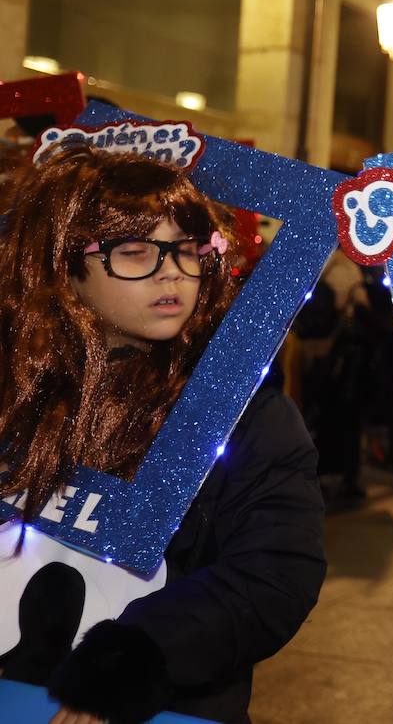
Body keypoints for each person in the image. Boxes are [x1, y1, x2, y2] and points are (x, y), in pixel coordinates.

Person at [0, 146, 326, 723]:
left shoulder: (246, 411)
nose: (171, 271)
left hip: (165, 709)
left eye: (186, 250)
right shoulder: (16, 385)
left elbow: (274, 574)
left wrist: (134, 661)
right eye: (135, 252)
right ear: (63, 266)